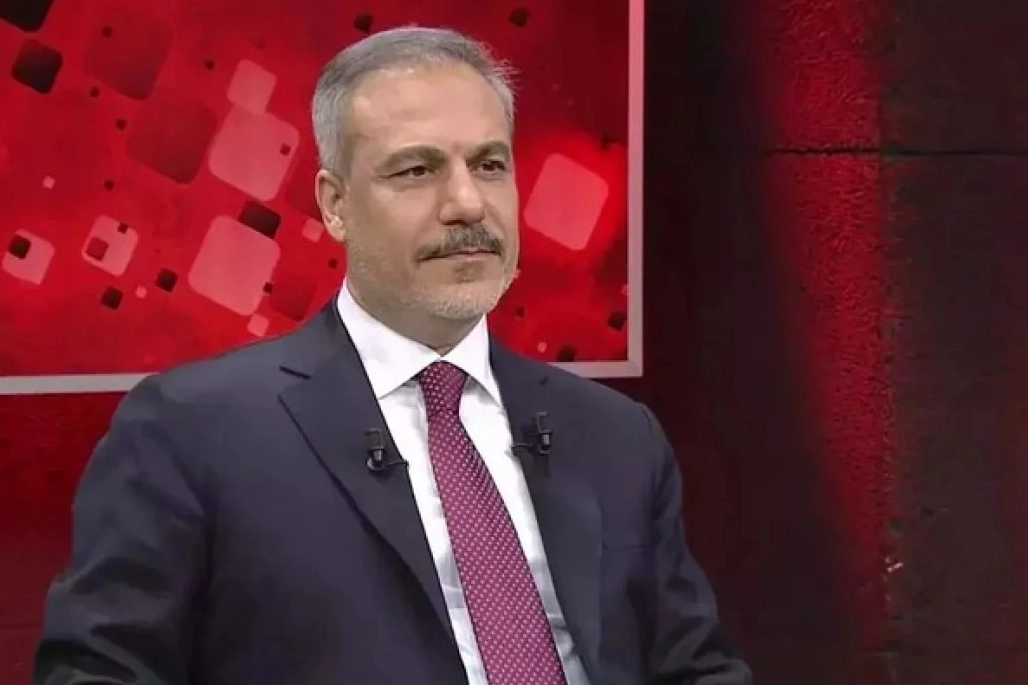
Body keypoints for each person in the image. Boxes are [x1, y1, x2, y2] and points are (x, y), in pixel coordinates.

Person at [34, 26, 752, 685]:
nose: (467, 203)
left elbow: (696, 669)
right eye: (416, 170)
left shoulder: (618, 437)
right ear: (335, 204)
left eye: (490, 164)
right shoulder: (190, 431)